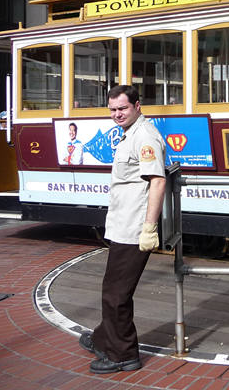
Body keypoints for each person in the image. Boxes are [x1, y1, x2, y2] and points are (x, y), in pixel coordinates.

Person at [79, 85, 166, 374]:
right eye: (113, 109)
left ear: (137, 106)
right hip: (123, 224)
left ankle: (123, 355)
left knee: (116, 294)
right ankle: (104, 338)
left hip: (134, 228)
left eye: (123, 108)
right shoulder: (131, 133)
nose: (117, 114)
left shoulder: (145, 136)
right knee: (112, 288)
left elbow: (158, 181)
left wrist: (149, 228)